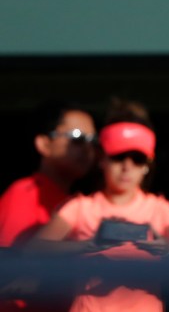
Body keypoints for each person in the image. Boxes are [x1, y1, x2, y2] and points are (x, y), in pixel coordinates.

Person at [23, 98, 169, 312]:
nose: (127, 167)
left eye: (137, 159)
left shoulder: (161, 209)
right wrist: (88, 245)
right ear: (102, 160)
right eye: (118, 157)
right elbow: (32, 250)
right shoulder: (79, 207)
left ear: (147, 166)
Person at [0, 100, 98, 312]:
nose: (89, 148)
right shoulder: (26, 192)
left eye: (94, 141)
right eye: (78, 138)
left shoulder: (76, 204)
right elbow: (11, 272)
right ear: (44, 144)